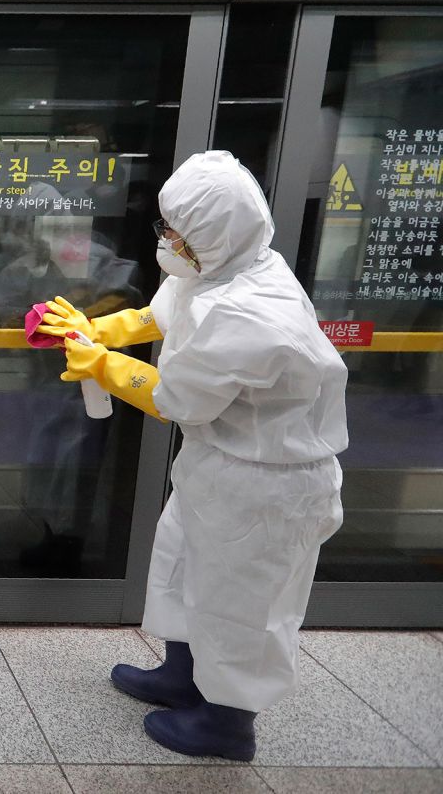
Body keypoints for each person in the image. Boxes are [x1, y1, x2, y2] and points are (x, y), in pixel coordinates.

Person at [35, 151, 348, 762]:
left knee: (240, 602)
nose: (168, 243)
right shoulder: (220, 267)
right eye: (167, 228)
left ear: (215, 235)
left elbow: (178, 399)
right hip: (221, 465)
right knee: (183, 568)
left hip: (268, 483)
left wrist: (101, 363)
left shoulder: (250, 310)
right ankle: (183, 678)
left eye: (179, 234)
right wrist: (104, 330)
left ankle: (228, 725)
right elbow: (162, 312)